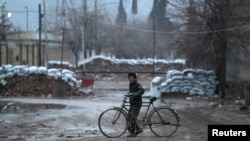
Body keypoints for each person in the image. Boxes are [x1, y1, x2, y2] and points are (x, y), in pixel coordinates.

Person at [127, 72, 145, 137]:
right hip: (132, 104)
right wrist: (128, 94)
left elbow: (142, 90)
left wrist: (137, 94)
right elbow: (131, 92)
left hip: (137, 104)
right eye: (129, 78)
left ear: (135, 78)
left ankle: (133, 132)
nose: (130, 79)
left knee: (133, 118)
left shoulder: (137, 84)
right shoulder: (130, 85)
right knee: (129, 116)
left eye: (132, 77)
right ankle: (138, 129)